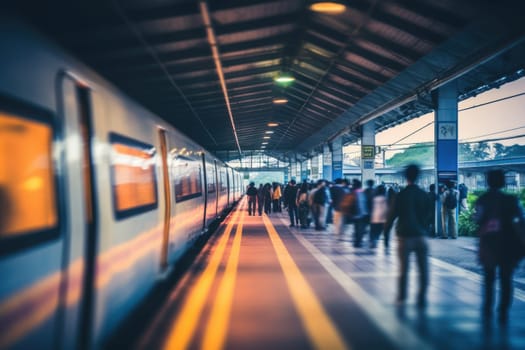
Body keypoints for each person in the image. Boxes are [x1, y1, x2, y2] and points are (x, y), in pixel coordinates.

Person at [473, 169, 525, 325]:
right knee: (506, 279)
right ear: (503, 182)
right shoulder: (512, 200)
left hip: (489, 245)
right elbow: (519, 221)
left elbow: (477, 218)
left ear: (488, 181)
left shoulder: (483, 199)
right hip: (508, 245)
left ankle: (487, 309)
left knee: (489, 278)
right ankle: (503, 311)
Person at [384, 164, 430, 308]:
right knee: (423, 269)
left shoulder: (401, 196)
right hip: (421, 237)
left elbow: (391, 217)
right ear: (418, 176)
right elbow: (429, 217)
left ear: (406, 176)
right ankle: (421, 297)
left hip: (404, 237)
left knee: (404, 268)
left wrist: (385, 237)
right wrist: (423, 228)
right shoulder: (424, 195)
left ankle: (402, 296)